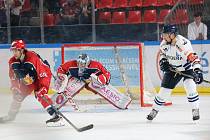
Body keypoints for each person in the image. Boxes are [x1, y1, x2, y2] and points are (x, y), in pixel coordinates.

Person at [0, 40, 64, 127]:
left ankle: (57, 117)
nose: (14, 52)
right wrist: (15, 88)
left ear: (22, 50)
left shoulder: (32, 58)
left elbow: (43, 74)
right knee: (18, 96)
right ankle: (11, 116)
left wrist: (43, 88)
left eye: (16, 50)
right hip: (28, 79)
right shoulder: (12, 62)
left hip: (41, 76)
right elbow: (13, 77)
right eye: (13, 50)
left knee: (40, 95)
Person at [147, 25, 203, 122]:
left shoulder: (182, 43)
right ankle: (154, 110)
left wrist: (197, 70)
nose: (163, 37)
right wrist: (163, 61)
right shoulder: (164, 43)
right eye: (163, 34)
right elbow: (163, 54)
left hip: (186, 69)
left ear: (172, 35)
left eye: (165, 35)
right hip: (173, 70)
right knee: (163, 92)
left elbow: (192, 57)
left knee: (190, 88)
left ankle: (195, 109)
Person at [53, 54, 132, 109]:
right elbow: (61, 69)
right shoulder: (70, 64)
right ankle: (55, 102)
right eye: (79, 63)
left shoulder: (96, 65)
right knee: (73, 85)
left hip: (91, 81)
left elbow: (107, 74)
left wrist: (99, 80)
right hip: (76, 80)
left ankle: (119, 100)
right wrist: (62, 77)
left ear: (87, 62)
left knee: (94, 84)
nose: (81, 65)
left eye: (83, 64)